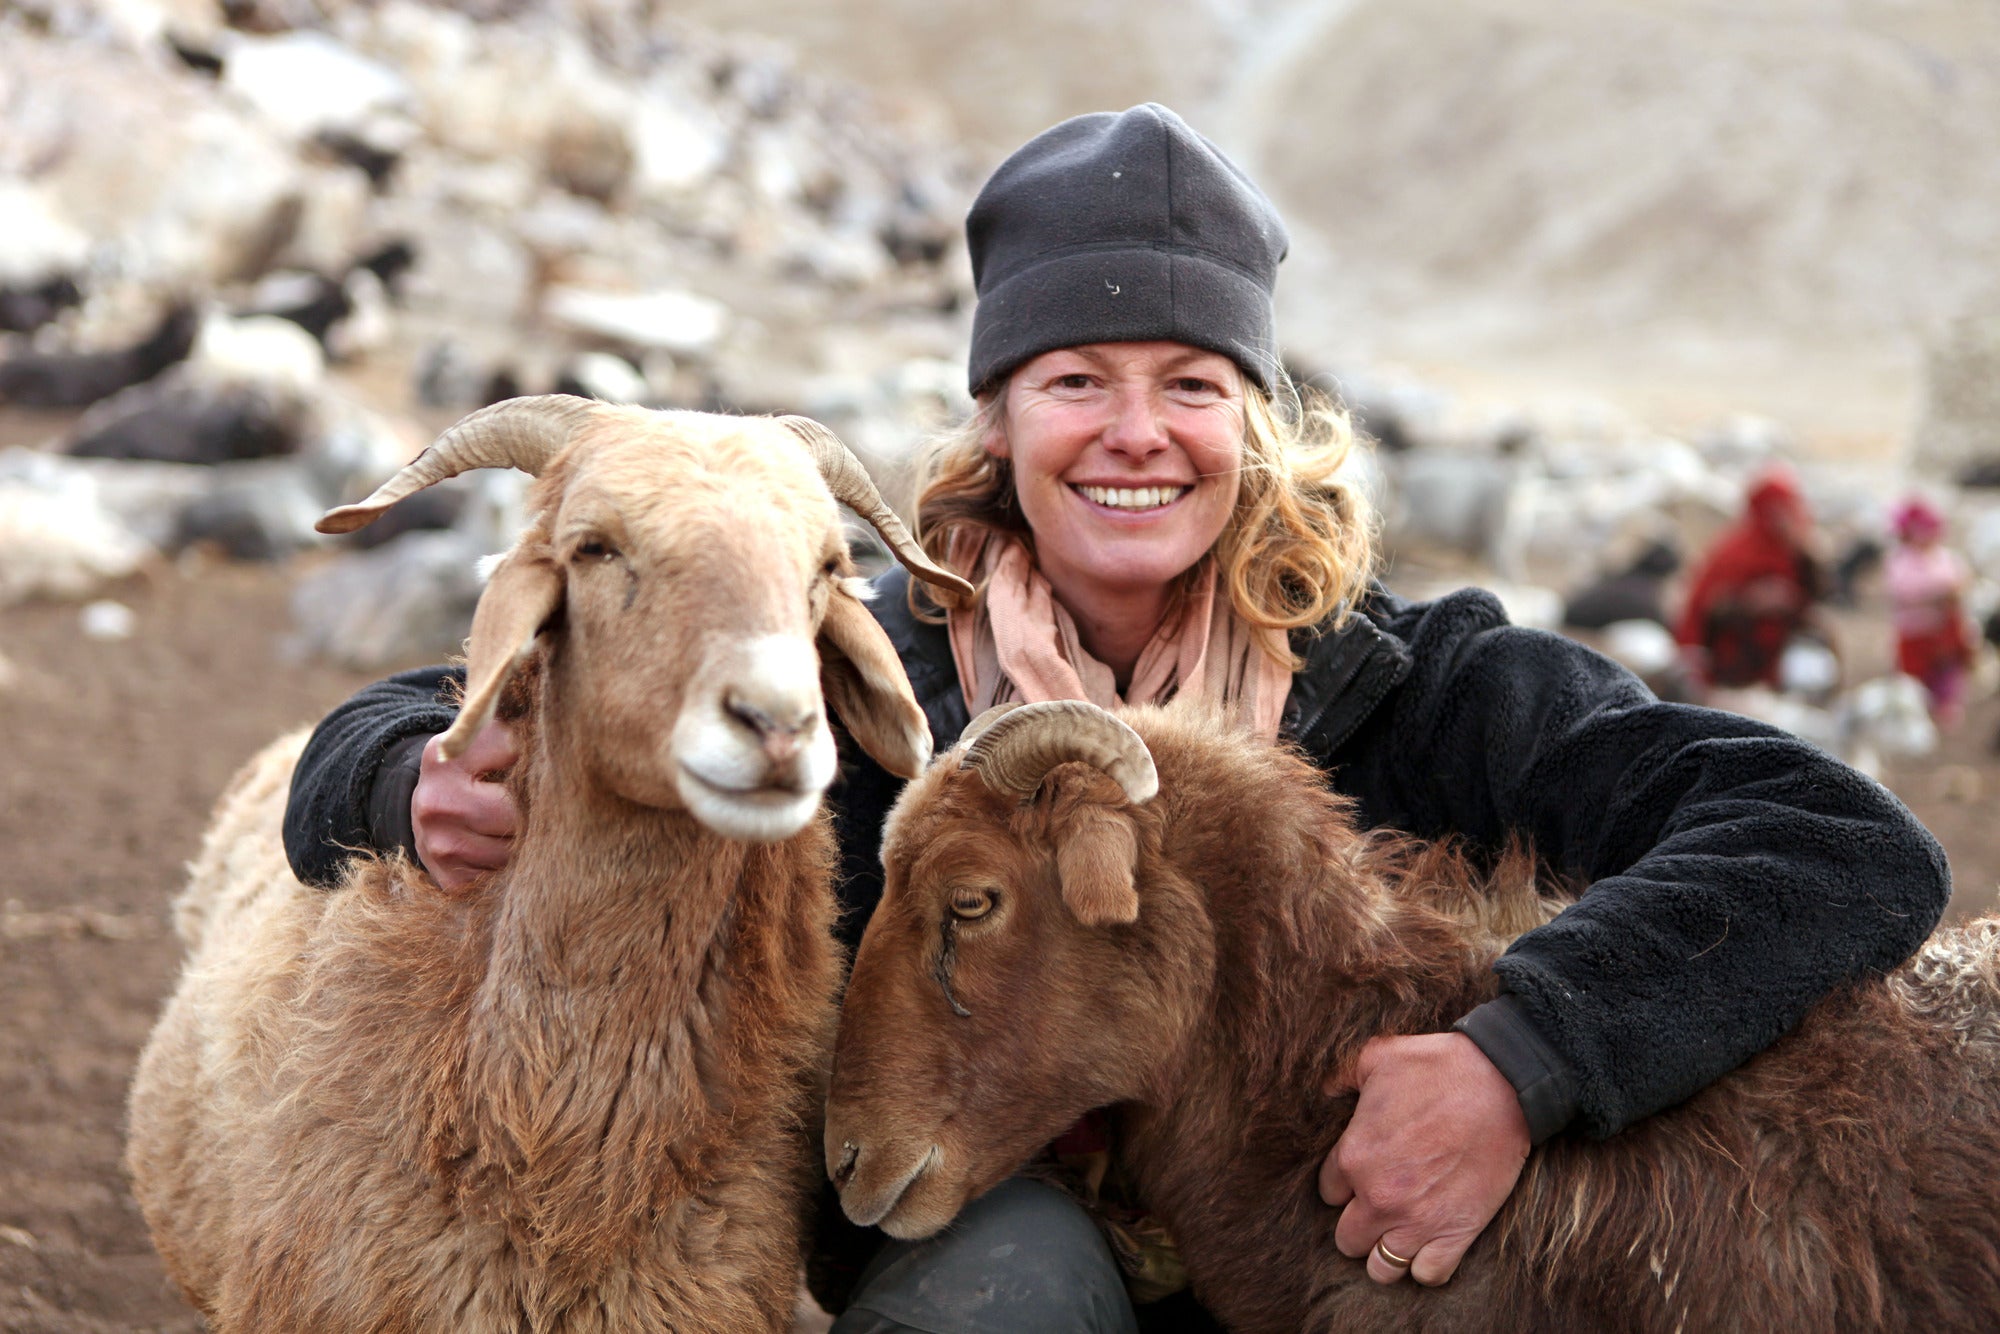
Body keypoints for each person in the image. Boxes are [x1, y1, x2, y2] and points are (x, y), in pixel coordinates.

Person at [283, 105, 1948, 1332]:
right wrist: (409, 781)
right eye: (1077, 380)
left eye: (1191, 385)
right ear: (997, 420)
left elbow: (1839, 844)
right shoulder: (878, 686)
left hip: (1336, 1237)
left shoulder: (1410, 684)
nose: (1134, 435)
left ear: (1257, 421)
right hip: (975, 1221)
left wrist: (1524, 1058)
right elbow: (416, 720)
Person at [1673, 463, 1831, 692]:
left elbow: (1815, 593)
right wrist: (1751, 601)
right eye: (1774, 508)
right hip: (1734, 661)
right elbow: (1703, 608)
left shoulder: (1797, 549)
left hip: (1780, 655)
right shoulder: (1733, 552)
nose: (1782, 516)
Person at [1885, 493, 1975, 727]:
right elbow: (1903, 591)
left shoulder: (1945, 557)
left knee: (1947, 672)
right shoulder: (1901, 561)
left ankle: (1946, 707)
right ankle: (1917, 712)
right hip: (1916, 631)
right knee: (1914, 679)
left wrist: (1953, 592)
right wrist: (1934, 595)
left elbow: (1962, 579)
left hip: (1943, 630)